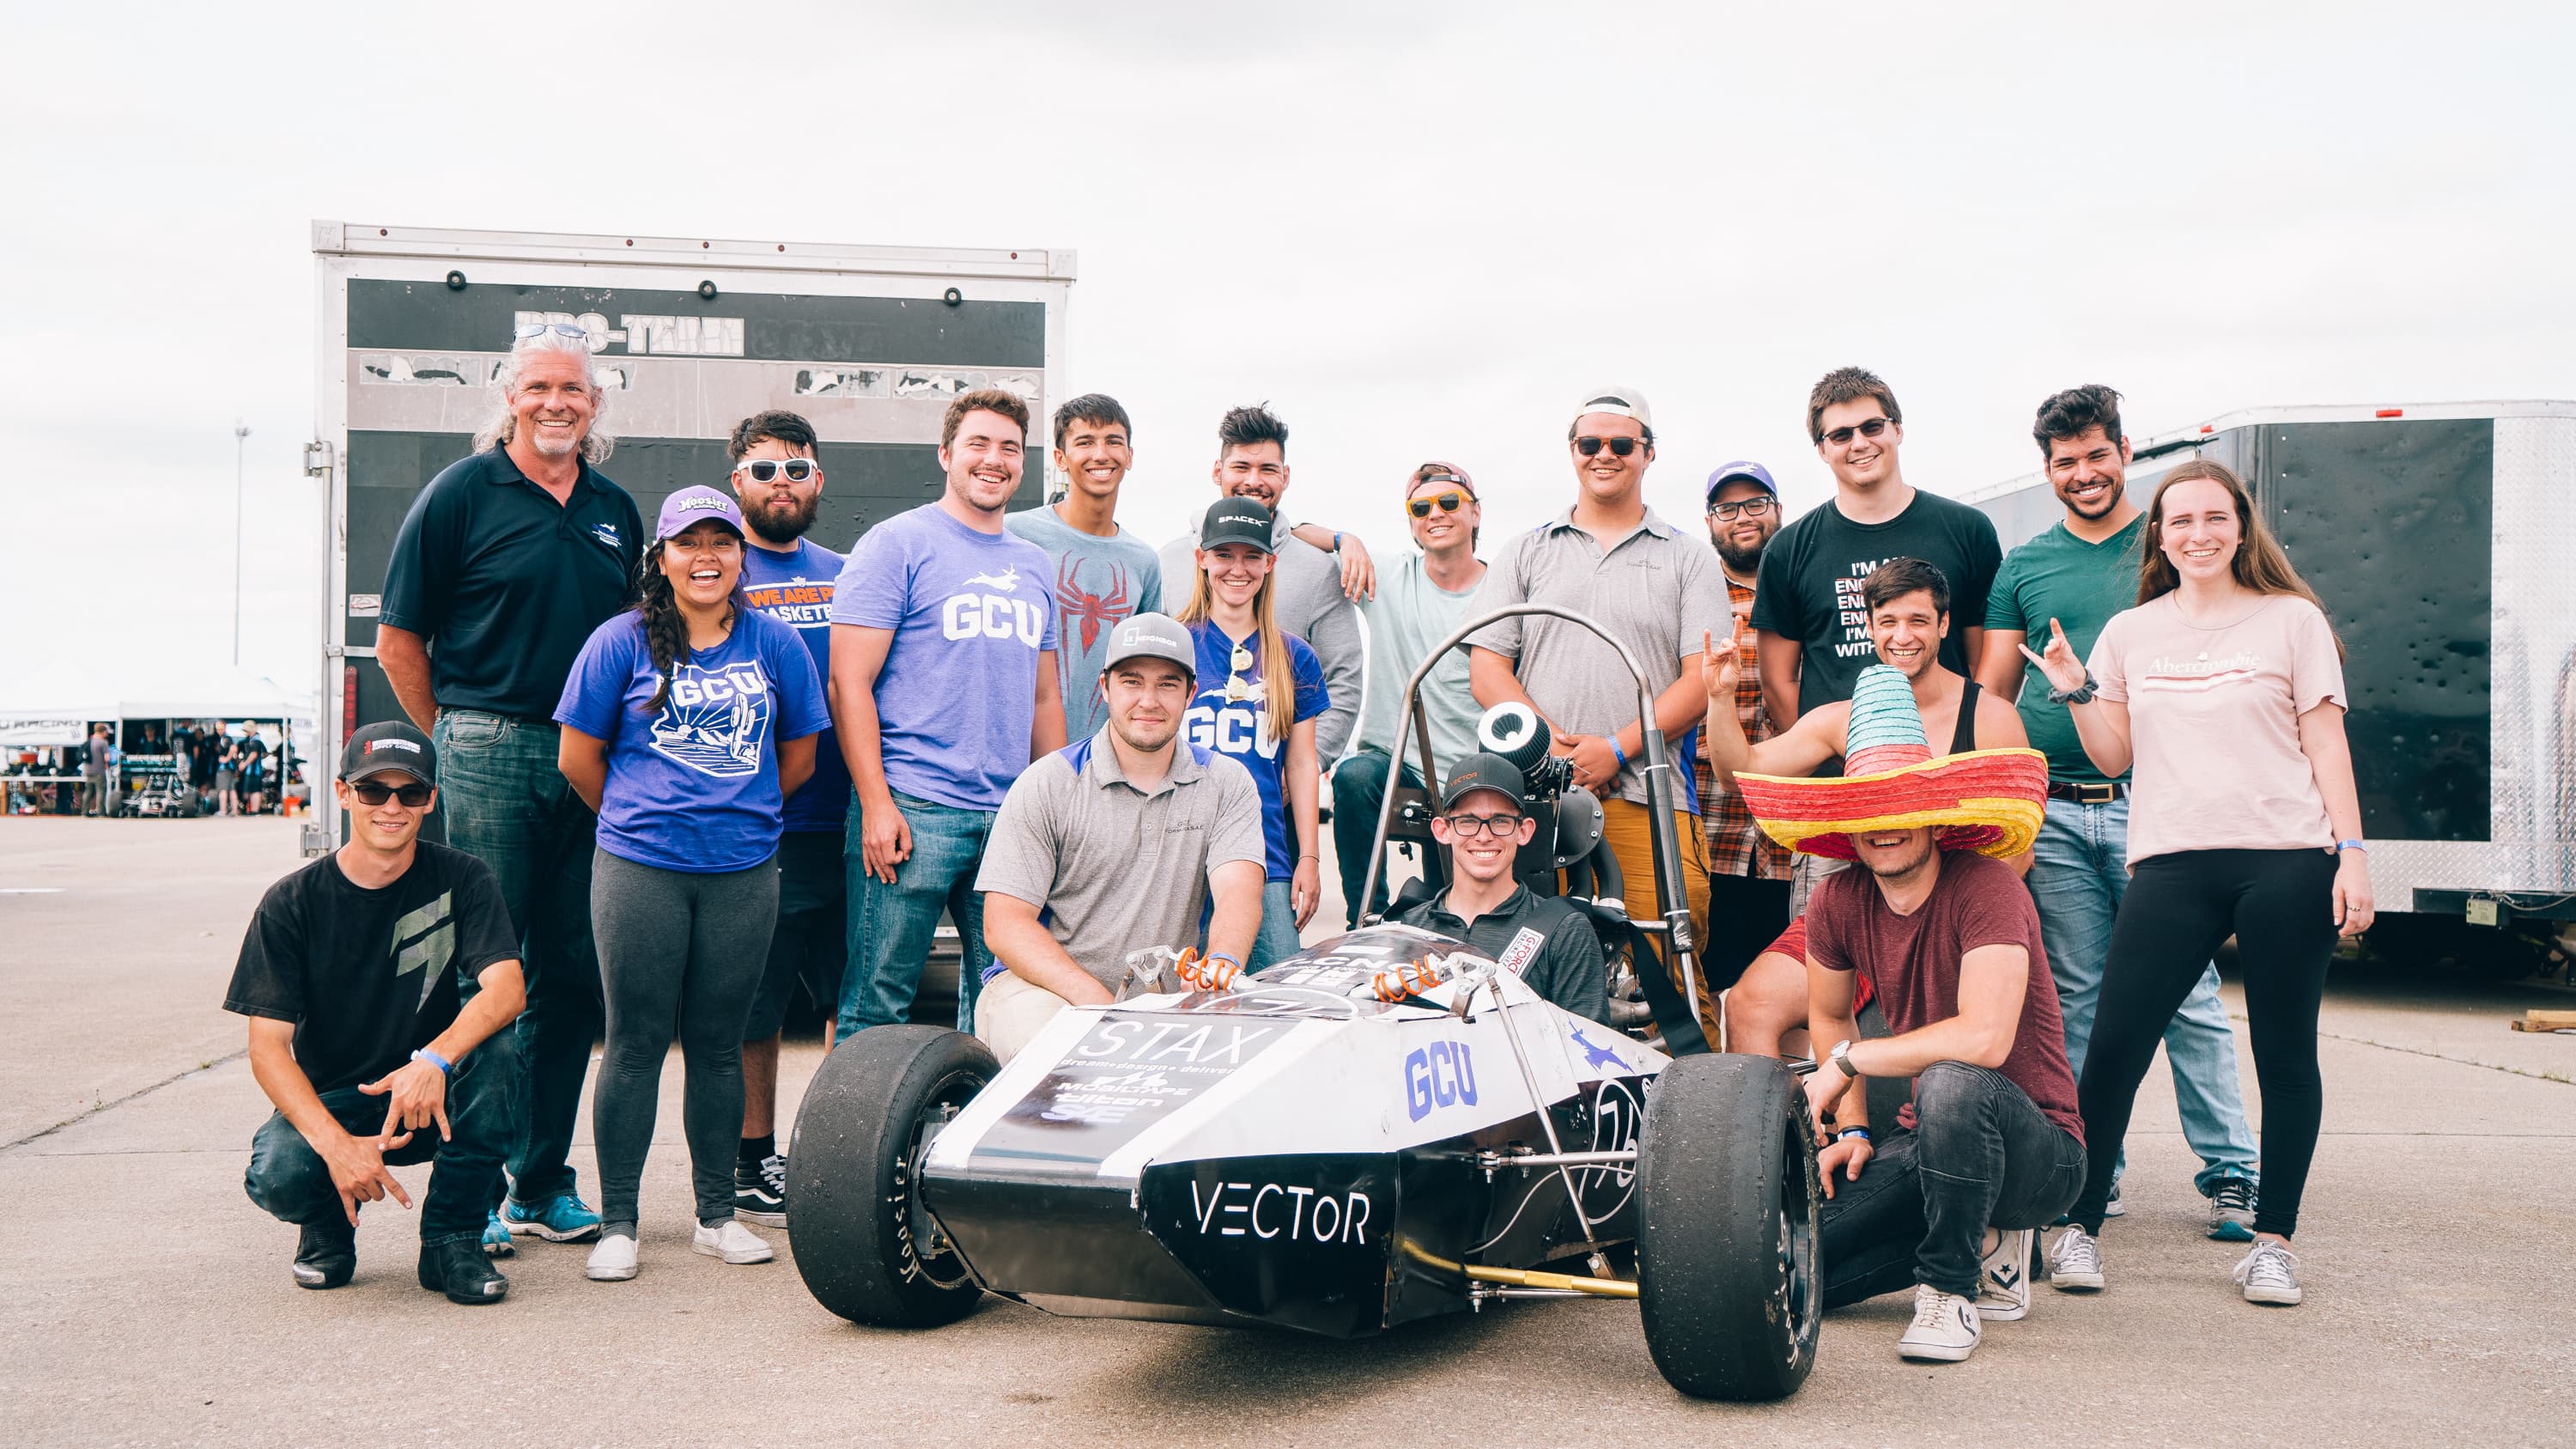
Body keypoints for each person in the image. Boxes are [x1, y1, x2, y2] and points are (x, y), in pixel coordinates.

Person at [2023, 459, 2371, 1309]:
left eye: (2217, 519)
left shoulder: (2292, 621)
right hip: (2171, 862)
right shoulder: (2131, 634)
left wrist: (2352, 855)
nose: (2200, 534)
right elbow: (2115, 756)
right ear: (2162, 535)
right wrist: (2075, 691)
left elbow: (2326, 745)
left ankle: (2273, 1242)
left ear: (2241, 529)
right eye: (2182, 521)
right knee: (2112, 1050)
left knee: (2285, 1053)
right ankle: (2080, 1227)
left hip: (2287, 859)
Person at [378, 321, 644, 1254]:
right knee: (490, 972)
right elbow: (399, 641)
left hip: (589, 759)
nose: (556, 403)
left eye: (572, 389)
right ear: (510, 397)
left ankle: (540, 1181)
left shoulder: (615, 508)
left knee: (571, 971)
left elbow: (627, 645)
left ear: (595, 403)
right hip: (489, 746)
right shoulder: (459, 493)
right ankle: (476, 1188)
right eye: (538, 388)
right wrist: (455, 734)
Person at [1975, 386, 2261, 1237]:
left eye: (2097, 455)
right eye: (2066, 462)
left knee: (2189, 994)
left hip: (2159, 806)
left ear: (2124, 451)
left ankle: (2234, 1172)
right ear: (2049, 471)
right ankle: (2097, 1171)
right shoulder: (2024, 565)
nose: (2084, 473)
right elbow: (1993, 690)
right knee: (2082, 1000)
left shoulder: (2176, 542)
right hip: (2054, 810)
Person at [1732, 663, 2068, 1363]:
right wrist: (1853, 1124)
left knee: (1951, 1077)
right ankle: (1982, 1243)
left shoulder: (1989, 888)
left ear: (1936, 815)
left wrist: (1849, 1063)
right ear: (1847, 826)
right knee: (1781, 1265)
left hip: (2039, 1151)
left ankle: (1950, 1292)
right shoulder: (1838, 900)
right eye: (1867, 811)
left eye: (1901, 808)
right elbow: (1829, 1017)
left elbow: (1984, 1036)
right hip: (1929, 1141)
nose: (1884, 827)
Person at [555, 486, 830, 1282]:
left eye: (721, 542)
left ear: (742, 557)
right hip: (641, 868)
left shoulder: (774, 643)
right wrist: (644, 822)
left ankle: (715, 1214)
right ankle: (619, 1223)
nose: (705, 557)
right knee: (635, 1043)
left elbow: (800, 757)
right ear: (663, 557)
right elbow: (578, 758)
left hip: (742, 870)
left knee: (718, 1044)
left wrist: (732, 818)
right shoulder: (621, 643)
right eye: (688, 543)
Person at [226, 721, 525, 1305]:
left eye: (410, 792)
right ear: (343, 793)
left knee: (502, 1052)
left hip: (432, 1093)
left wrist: (435, 1058)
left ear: (430, 799)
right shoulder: (291, 903)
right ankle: (329, 1226)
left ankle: (452, 1238)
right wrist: (337, 1144)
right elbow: (266, 1048)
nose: (392, 806)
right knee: (278, 1175)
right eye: (373, 790)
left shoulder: (463, 878)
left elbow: (507, 988)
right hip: (340, 1096)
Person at [1467, 385, 1726, 1030]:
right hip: (1534, 805)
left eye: (1621, 443)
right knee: (1529, 974)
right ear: (1572, 451)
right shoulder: (1526, 550)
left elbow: (1700, 682)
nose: (1604, 454)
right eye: (1590, 443)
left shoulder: (1689, 556)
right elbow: (1486, 667)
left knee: (1668, 970)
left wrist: (1614, 748)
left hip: (1649, 796)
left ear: (1649, 453)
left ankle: (1693, 1122)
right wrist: (1552, 748)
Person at [1706, 558, 2029, 1056]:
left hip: (1958, 913)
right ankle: (1794, 1135)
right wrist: (1720, 697)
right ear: (1870, 626)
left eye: (1918, 621)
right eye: (1888, 622)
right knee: (1749, 1005)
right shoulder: (1844, 717)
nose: (1903, 636)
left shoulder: (1989, 716)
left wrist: (1945, 927)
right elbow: (1739, 772)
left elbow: (2017, 852)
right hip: (1862, 911)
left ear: (1944, 624)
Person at [829, 388, 1065, 1043]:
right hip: (914, 809)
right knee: (878, 1005)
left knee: (1005, 1003)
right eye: (979, 445)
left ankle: (964, 1141)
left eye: (1010, 448)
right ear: (946, 454)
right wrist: (876, 802)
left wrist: (1053, 815)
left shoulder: (1033, 565)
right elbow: (848, 682)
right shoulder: (896, 544)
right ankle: (857, 1146)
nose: (994, 460)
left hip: (1011, 820)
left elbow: (1045, 698)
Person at [1752, 367, 2002, 918]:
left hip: (1944, 803)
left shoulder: (1966, 529)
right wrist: (1839, 751)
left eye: (1872, 426)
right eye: (1840, 434)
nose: (1859, 444)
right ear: (1821, 449)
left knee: (1946, 965)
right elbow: (1777, 676)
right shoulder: (1791, 547)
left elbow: (1983, 658)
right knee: (1829, 967)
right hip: (1840, 807)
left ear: (1898, 430)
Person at [974, 613, 1267, 1062]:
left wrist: (1220, 967)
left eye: (1167, 684)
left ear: (1191, 693)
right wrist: (1097, 1005)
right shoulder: (1048, 783)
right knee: (1064, 1061)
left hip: (1163, 997)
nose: (1149, 700)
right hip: (1044, 990)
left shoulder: (1226, 782)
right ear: (1105, 687)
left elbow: (1238, 892)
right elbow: (1005, 924)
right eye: (1132, 682)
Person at [723, 410, 851, 1226]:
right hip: (759, 828)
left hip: (855, 820)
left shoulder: (851, 570)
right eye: (764, 470)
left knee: (857, 1001)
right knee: (755, 1007)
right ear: (737, 479)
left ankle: (842, 1152)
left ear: (817, 480)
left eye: (796, 469)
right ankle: (749, 1160)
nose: (781, 483)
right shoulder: (712, 570)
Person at [1157, 405, 1365, 765]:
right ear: (1217, 471)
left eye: (1267, 469)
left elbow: (1342, 680)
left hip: (1275, 783)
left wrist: (1306, 765)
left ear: (1285, 476)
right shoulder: (1167, 562)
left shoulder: (1318, 570)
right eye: (1241, 467)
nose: (1254, 480)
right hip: (1180, 783)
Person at [1332, 461, 1487, 928]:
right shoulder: (1388, 576)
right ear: (1411, 522)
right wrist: (1346, 539)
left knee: (1458, 907)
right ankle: (1367, 918)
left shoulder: (1502, 588)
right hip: (1397, 759)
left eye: (1448, 502)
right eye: (1421, 507)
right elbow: (1292, 532)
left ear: (1475, 513)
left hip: (1473, 763)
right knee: (1354, 778)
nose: (1435, 513)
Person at [1180, 496, 1332, 969]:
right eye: (1224, 555)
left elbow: (1302, 763)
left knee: (1277, 996)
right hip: (1177, 857)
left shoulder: (1295, 656)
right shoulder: (1175, 644)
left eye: (1251, 556)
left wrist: (1309, 857)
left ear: (1270, 563)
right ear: (1201, 559)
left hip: (1264, 856)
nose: (1237, 569)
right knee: (1174, 997)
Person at [1391, 754, 1608, 1021]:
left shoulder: (1565, 931)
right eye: (1468, 821)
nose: (1484, 836)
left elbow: (1589, 1051)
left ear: (1524, 831)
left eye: (1501, 821)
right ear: (1442, 830)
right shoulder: (1406, 928)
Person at [1007, 394, 1164, 742]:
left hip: (1105, 757)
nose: (1100, 454)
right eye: (1085, 442)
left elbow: (1146, 665)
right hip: (1017, 751)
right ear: (1060, 459)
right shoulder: (1015, 535)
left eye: (1113, 441)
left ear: (1130, 456)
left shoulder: (1144, 561)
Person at [1693, 462, 1795, 996]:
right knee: (1713, 983)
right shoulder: (1698, 595)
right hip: (1717, 824)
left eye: (1756, 504)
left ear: (1778, 510)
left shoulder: (1800, 592)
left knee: (1792, 995)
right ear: (1710, 522)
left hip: (1793, 832)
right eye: (1727, 509)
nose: (1742, 518)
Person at [239, 724, 270, 815]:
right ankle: (253, 810)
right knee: (250, 791)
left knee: (255, 791)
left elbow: (254, 754)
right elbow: (265, 753)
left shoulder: (255, 741)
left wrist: (244, 764)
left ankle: (255, 811)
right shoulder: (254, 740)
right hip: (252, 770)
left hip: (254, 771)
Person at [82, 723, 111, 817]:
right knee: (100, 791)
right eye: (106, 731)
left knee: (88, 791)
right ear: (103, 731)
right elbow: (107, 758)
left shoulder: (88, 741)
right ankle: (101, 812)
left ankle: (84, 812)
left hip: (87, 770)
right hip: (99, 771)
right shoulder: (103, 742)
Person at [215, 728, 240, 817]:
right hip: (230, 768)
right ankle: (234, 811)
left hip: (224, 768)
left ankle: (223, 811)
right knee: (232, 790)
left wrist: (226, 759)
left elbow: (234, 748)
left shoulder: (225, 738)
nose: (219, 730)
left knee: (223, 790)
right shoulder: (225, 738)